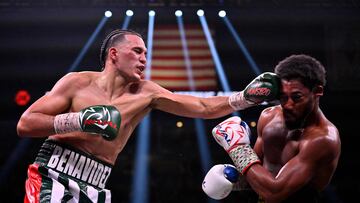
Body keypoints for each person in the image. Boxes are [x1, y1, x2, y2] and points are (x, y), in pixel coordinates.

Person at [16, 29, 280, 203]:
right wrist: (78, 120)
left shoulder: (146, 93)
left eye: (146, 53)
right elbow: (26, 124)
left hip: (97, 183)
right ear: (114, 54)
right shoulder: (77, 82)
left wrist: (243, 98)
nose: (144, 59)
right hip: (54, 173)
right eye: (137, 51)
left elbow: (201, 105)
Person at [203, 54, 341, 203]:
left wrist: (237, 148)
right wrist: (233, 178)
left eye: (296, 97)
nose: (287, 105)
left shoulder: (323, 139)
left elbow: (275, 193)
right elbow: (255, 170)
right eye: (282, 97)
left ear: (317, 91)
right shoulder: (268, 117)